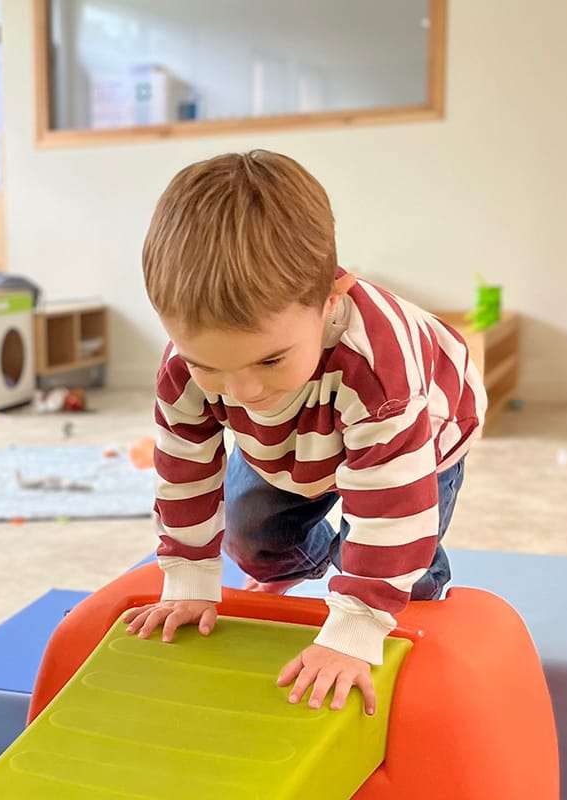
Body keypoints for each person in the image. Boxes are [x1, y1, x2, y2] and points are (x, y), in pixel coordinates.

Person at [124, 150, 486, 715]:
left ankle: (403, 591)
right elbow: (185, 472)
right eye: (208, 364)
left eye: (268, 361)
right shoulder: (189, 366)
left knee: (396, 559)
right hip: (288, 435)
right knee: (254, 539)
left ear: (331, 299)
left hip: (422, 431)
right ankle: (324, 562)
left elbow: (391, 511)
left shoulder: (379, 372)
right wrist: (190, 580)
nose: (239, 389)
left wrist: (354, 632)